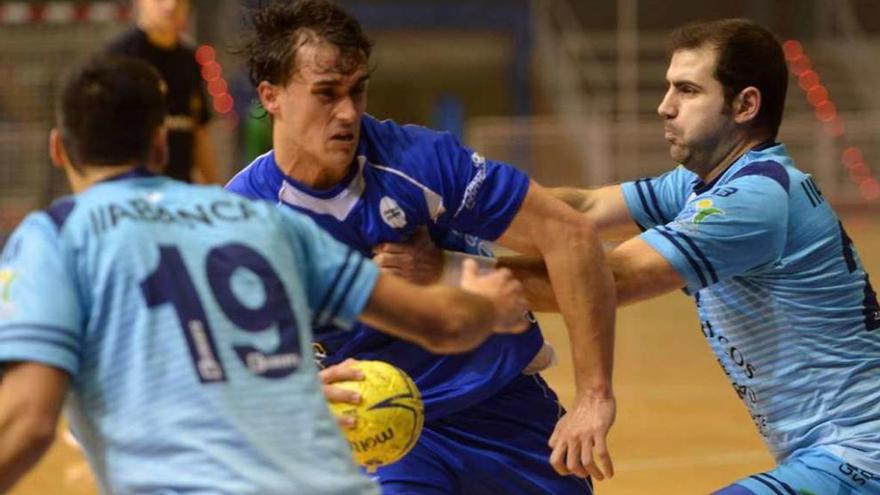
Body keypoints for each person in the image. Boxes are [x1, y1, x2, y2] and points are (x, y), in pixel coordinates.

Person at [0, 55, 532, 494]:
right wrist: (489, 303)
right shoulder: (259, 219)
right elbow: (440, 324)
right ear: (161, 147)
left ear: (58, 148)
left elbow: (27, 421)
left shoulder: (58, 236)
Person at [399, 18, 879, 494]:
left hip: (859, 454)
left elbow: (609, 278)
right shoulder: (704, 184)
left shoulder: (755, 200)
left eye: (687, 91)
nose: (664, 107)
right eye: (668, 88)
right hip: (831, 452)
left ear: (745, 105)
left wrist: (440, 270)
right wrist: (450, 199)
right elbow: (580, 210)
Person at [226, 1, 618, 493]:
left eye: (357, 90)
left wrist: (594, 395)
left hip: (501, 406)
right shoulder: (244, 219)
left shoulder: (418, 162)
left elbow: (571, 235)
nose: (347, 113)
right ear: (272, 96)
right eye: (326, 94)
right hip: (387, 437)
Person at [107, 0, 220, 184]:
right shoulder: (120, 57)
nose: (170, 6)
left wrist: (215, 191)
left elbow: (199, 131)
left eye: (180, 1)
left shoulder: (189, 59)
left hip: (180, 188)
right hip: (136, 190)